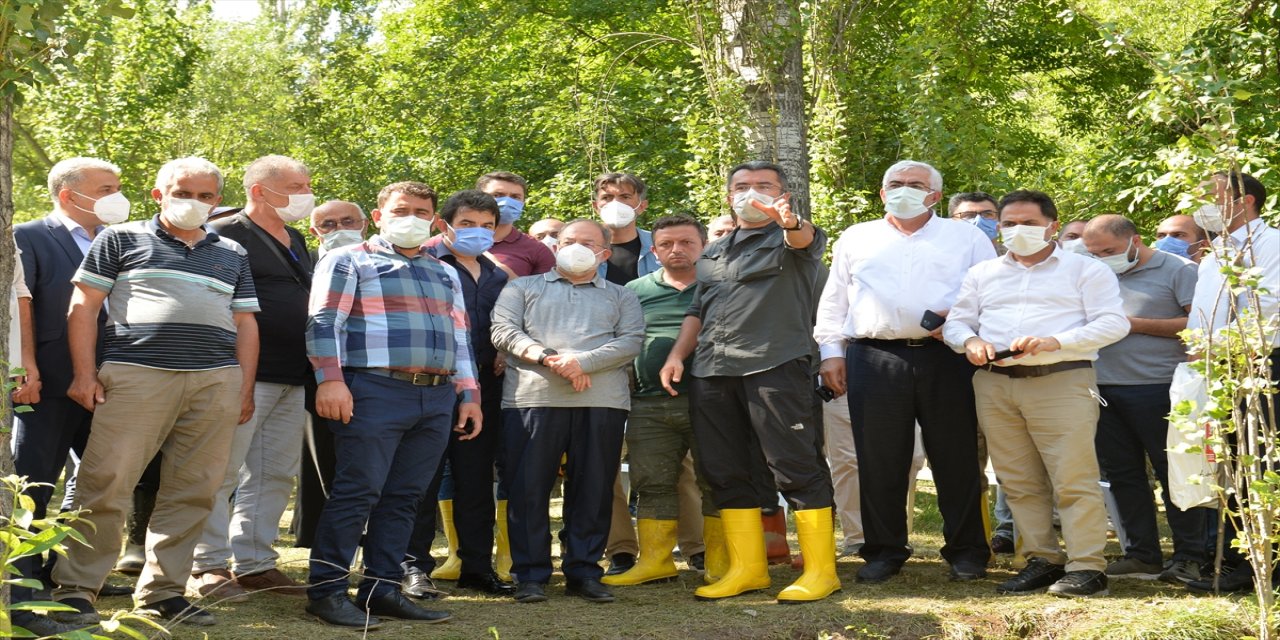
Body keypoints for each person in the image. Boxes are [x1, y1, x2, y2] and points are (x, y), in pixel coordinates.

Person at [51, 157, 259, 627]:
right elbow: (83, 307)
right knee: (105, 483)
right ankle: (76, 590)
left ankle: (164, 592)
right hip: (136, 376)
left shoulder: (233, 252)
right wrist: (85, 374)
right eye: (184, 193)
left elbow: (245, 322)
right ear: (159, 195)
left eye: (206, 196)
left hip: (215, 382)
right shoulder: (119, 238)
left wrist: (242, 388)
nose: (195, 203)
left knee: (195, 490)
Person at [660, 160, 838, 603]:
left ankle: (821, 572)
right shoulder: (715, 251)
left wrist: (789, 221)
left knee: (796, 467)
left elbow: (804, 239)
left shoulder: (793, 237)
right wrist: (677, 356)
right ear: (728, 196)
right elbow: (697, 311)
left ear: (783, 195)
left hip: (774, 367)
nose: (752, 193)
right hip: (712, 372)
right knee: (724, 469)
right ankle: (748, 569)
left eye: (764, 186)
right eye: (742, 186)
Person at [305, 181, 479, 627]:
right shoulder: (347, 260)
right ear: (378, 215)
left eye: (422, 211)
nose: (412, 217)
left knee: (405, 496)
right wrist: (331, 382)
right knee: (358, 491)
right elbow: (324, 323)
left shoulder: (444, 272)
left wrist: (469, 395)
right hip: (373, 390)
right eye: (401, 209)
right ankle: (326, 592)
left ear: (434, 221)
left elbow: (460, 336)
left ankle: (381, 589)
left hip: (437, 395)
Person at [815, 160, 995, 584]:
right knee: (879, 459)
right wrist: (830, 353)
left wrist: (958, 318)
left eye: (916, 185)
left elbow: (991, 290)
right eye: (896, 184)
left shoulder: (966, 237)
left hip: (948, 356)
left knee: (956, 456)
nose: (905, 190)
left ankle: (967, 550)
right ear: (882, 193)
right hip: (873, 356)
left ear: (934, 195)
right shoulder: (857, 237)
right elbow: (835, 299)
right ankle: (883, 550)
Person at [943, 189, 1129, 598]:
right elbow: (958, 323)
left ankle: (1087, 567)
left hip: (1061, 379)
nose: (1017, 231)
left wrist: (1054, 341)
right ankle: (1041, 559)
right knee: (1016, 480)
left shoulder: (1085, 270)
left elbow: (1114, 324)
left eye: (1028, 223)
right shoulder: (984, 273)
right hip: (993, 383)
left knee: (1073, 478)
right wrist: (969, 342)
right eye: (1009, 224)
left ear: (1052, 226)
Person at [491, 219, 644, 604]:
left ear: (604, 253)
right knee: (528, 490)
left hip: (602, 402)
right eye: (569, 240)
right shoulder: (521, 288)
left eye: (587, 242)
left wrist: (583, 363)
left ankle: (584, 571)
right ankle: (530, 575)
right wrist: (549, 358)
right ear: (555, 246)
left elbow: (631, 341)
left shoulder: (620, 296)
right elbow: (504, 332)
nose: (576, 247)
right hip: (531, 399)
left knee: (592, 488)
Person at [189, 155, 316, 601]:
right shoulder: (224, 234)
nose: (306, 194)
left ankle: (256, 563)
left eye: (307, 185)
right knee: (221, 471)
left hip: (293, 374)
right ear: (259, 190)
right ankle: (206, 565)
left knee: (274, 473)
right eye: (296, 186)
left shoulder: (297, 236)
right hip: (243, 373)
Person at [1081, 214, 1206, 584]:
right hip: (1102, 386)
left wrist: (1132, 324)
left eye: (1109, 250)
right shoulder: (1094, 272)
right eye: (1094, 252)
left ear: (1134, 240)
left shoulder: (1179, 269)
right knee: (1123, 475)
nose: (1102, 258)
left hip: (1159, 386)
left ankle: (1189, 556)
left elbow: (1196, 324)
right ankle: (1142, 554)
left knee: (1175, 473)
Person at [402, 190, 513, 597]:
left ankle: (477, 567)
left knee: (475, 479)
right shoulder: (424, 264)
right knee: (421, 481)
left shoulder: (499, 274)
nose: (477, 233)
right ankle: (413, 567)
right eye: (467, 224)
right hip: (431, 385)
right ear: (444, 223)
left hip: (485, 388)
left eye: (487, 226)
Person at [603, 215, 714, 586]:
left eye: (686, 243)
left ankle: (720, 558)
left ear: (704, 247)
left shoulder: (721, 285)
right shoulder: (634, 290)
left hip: (712, 400)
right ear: (655, 250)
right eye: (666, 244)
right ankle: (655, 561)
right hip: (648, 402)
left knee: (716, 479)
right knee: (651, 482)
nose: (676, 250)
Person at [1183, 171, 1279, 593]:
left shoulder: (1272, 244)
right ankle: (1246, 562)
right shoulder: (1215, 251)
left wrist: (1220, 346)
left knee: (1265, 461)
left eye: (1211, 195)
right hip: (1217, 370)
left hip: (1263, 364)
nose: (1201, 203)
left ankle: (1267, 562)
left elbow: (1270, 307)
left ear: (1247, 200)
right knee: (1233, 462)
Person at [292, 199, 368, 551]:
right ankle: (315, 538)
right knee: (319, 460)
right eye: (328, 224)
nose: (339, 229)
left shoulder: (381, 260)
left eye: (347, 221)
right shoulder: (301, 264)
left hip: (368, 374)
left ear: (364, 224)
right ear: (314, 231)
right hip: (313, 376)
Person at [476, 171, 556, 277]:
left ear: (523, 203)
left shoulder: (536, 250)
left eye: (515, 197)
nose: (506, 201)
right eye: (497, 195)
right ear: (477, 198)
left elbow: (544, 292)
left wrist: (502, 272)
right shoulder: (453, 240)